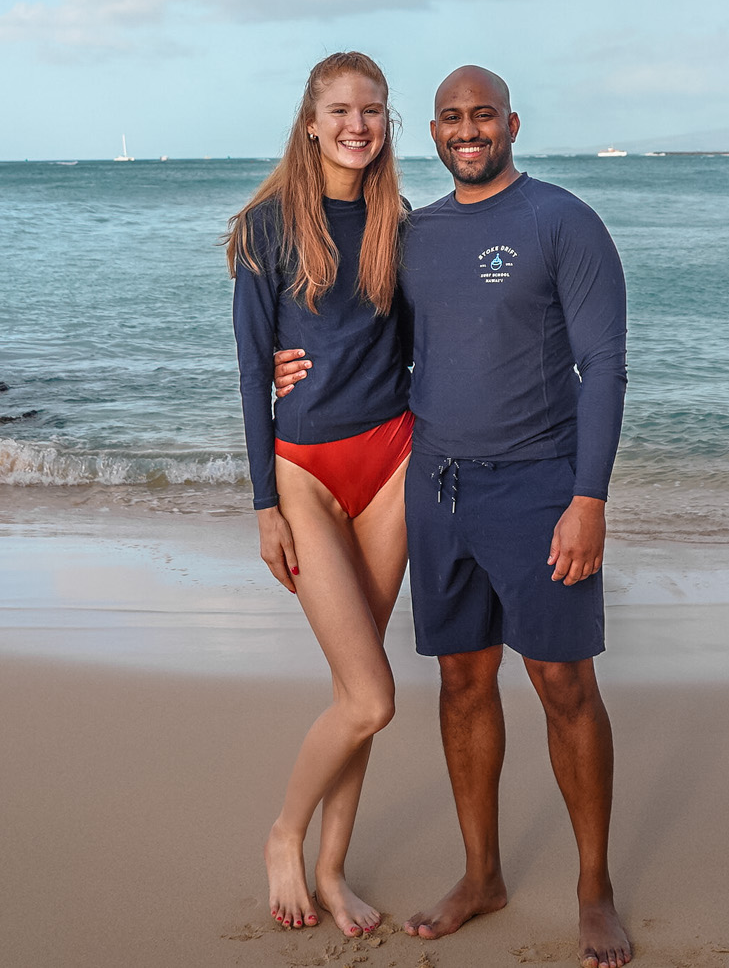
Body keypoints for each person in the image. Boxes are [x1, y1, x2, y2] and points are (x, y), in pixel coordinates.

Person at [286, 65, 631, 965]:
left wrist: (587, 497)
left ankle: (594, 885)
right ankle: (483, 874)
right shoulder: (414, 234)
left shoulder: (563, 221)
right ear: (431, 131)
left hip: (539, 488)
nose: (467, 129)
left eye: (483, 115)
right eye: (451, 117)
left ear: (512, 121)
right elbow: (364, 338)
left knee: (564, 686)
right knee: (463, 682)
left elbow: (605, 366)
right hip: (435, 488)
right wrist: (293, 366)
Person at [228, 50, 413, 938]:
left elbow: (435, 341)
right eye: (339, 108)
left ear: (387, 122)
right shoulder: (264, 227)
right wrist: (264, 502)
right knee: (371, 697)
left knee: (357, 685)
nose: (356, 123)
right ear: (309, 120)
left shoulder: (398, 221)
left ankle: (333, 871)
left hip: (393, 466)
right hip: (305, 473)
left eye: (371, 110)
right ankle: (284, 834)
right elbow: (246, 372)